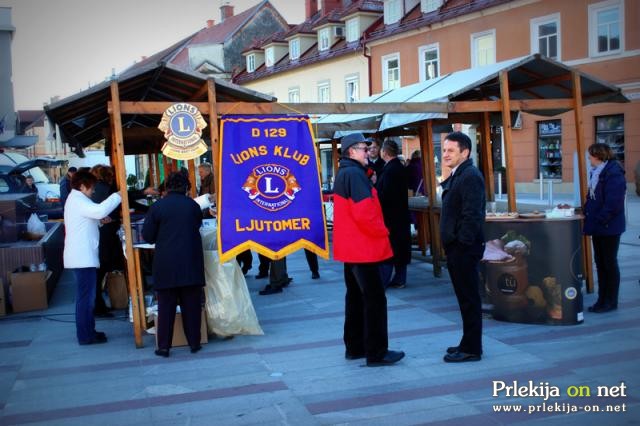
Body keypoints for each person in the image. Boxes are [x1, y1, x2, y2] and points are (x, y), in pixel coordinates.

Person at [333, 132, 405, 367]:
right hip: (363, 248)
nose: (369, 152)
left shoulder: (346, 172)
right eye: (364, 149)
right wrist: (384, 232)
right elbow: (366, 212)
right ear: (352, 151)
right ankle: (377, 352)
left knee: (354, 298)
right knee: (375, 300)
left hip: (351, 249)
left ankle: (355, 347)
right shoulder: (354, 174)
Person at [142, 172, 206, 357]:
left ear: (167, 187)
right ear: (186, 187)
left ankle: (163, 346)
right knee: (192, 305)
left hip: (166, 263)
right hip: (190, 262)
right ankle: (194, 342)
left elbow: (148, 236)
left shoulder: (157, 207)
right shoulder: (193, 206)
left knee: (166, 307)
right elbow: (197, 226)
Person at [439, 131, 486, 363]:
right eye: (444, 150)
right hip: (458, 248)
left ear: (464, 152)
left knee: (469, 299)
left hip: (464, 249)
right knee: (464, 299)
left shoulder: (470, 176)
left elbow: (472, 215)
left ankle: (472, 349)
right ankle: (467, 342)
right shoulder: (460, 173)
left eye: (450, 151)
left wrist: (461, 243)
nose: (445, 154)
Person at [63, 170, 122, 345]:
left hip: (82, 256)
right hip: (82, 258)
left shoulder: (77, 199)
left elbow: (88, 218)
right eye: (91, 187)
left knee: (86, 298)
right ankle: (86, 336)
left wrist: (98, 221)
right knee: (86, 299)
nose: (93, 191)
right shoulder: (78, 200)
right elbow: (99, 210)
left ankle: (89, 331)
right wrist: (117, 196)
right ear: (82, 186)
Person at [583, 143, 626, 313]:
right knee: (600, 264)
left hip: (608, 226)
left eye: (590, 156)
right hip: (599, 226)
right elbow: (593, 197)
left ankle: (611, 301)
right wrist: (585, 210)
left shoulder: (613, 173)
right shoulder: (597, 172)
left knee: (609, 263)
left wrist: (600, 219)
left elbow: (614, 203)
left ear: (598, 156)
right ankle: (602, 299)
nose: (589, 159)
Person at [376, 139, 411, 289]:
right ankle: (399, 279)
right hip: (399, 215)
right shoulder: (398, 167)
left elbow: (387, 194)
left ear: (384, 152)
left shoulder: (391, 169)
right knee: (399, 249)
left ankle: (385, 281)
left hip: (392, 217)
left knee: (391, 249)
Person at [90, 165, 123, 318]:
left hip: (100, 235)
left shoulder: (95, 189)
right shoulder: (105, 189)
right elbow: (114, 208)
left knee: (99, 272)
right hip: (106, 235)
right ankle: (98, 307)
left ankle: (99, 305)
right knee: (101, 270)